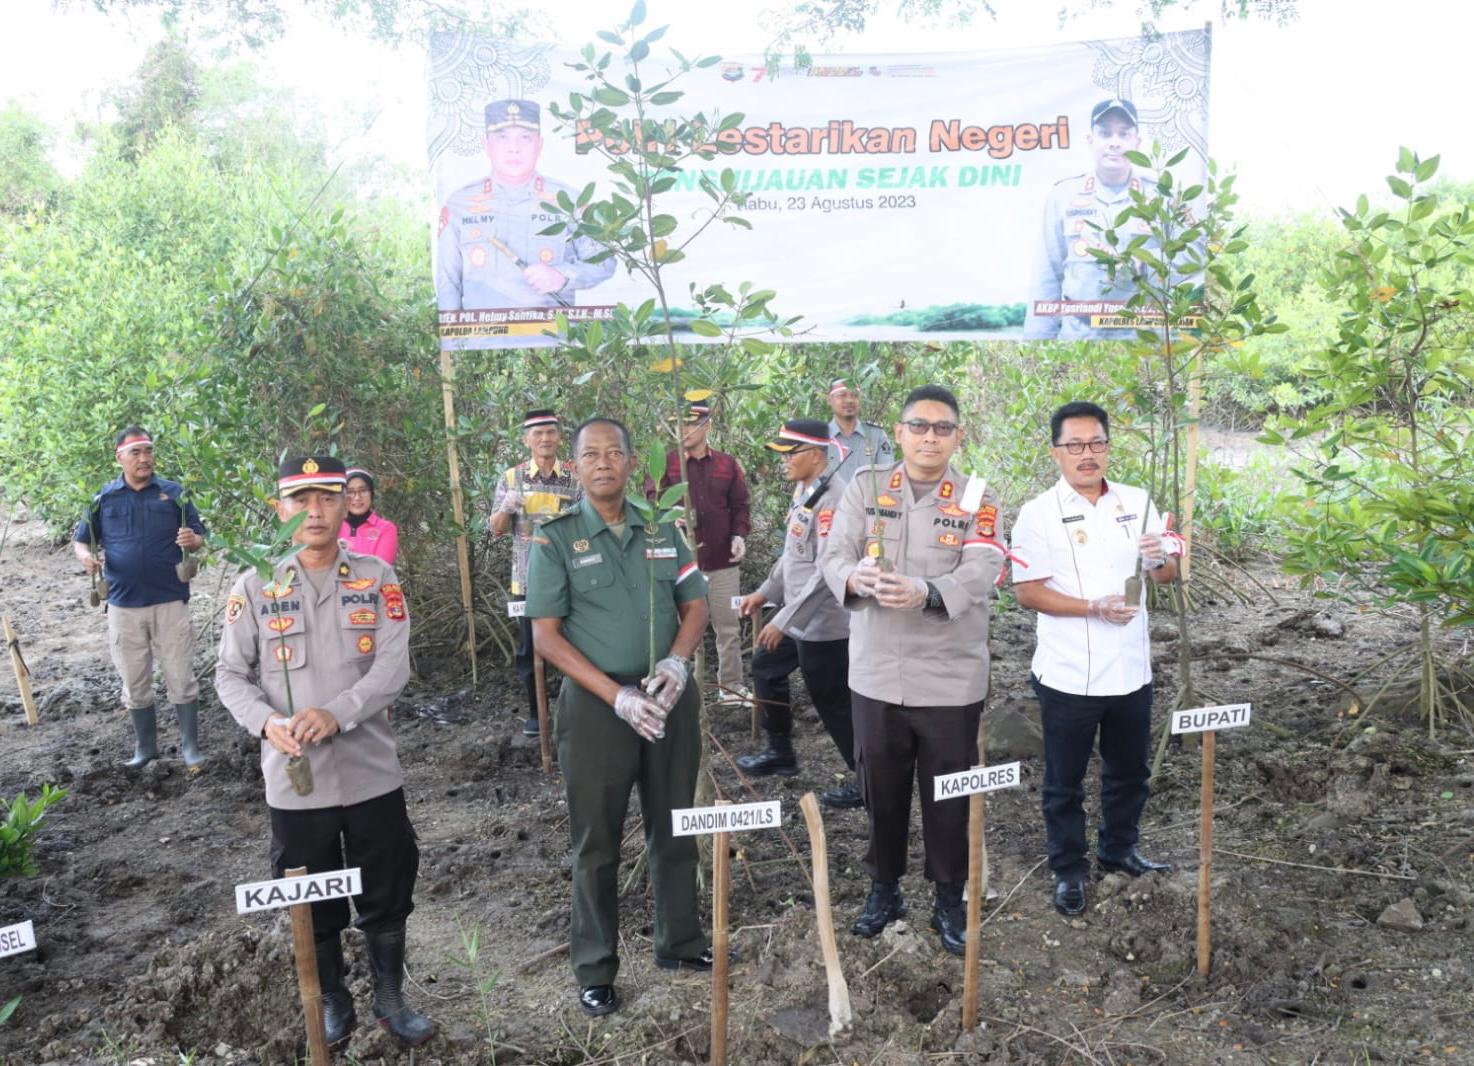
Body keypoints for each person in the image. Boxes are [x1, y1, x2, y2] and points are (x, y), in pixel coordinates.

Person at [215, 456, 433, 1048]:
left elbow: (393, 666)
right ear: (280, 509)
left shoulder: (376, 576)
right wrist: (267, 722)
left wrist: (337, 712)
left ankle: (389, 995)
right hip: (295, 777)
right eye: (301, 499)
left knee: (387, 885)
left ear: (347, 504)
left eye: (328, 498)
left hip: (370, 771)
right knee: (310, 891)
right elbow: (230, 675)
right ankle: (334, 999)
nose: (315, 511)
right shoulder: (256, 584)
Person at [527, 417, 719, 1017]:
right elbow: (546, 637)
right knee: (597, 841)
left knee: (676, 822)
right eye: (591, 455)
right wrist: (616, 695)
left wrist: (678, 664)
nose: (604, 462)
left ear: (633, 463)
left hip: (667, 695)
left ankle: (681, 943)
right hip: (596, 709)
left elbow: (695, 604)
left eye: (615, 453)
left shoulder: (663, 527)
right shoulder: (553, 539)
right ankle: (595, 968)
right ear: (577, 467)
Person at [819, 384, 1006, 956]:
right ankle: (885, 888)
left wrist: (927, 591)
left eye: (942, 428)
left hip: (949, 674)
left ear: (958, 436)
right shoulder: (866, 485)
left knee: (949, 791)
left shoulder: (977, 494)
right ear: (897, 432)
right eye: (919, 426)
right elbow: (835, 553)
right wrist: (855, 579)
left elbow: (985, 564)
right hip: (877, 670)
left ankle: (950, 893)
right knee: (882, 785)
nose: (930, 437)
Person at [1010, 401, 1181, 916]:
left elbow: (1168, 575)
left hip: (1130, 667)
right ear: (1056, 452)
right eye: (1075, 445)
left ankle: (1119, 847)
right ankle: (1068, 868)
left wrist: (1160, 559)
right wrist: (1092, 608)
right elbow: (1027, 591)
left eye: (1097, 443)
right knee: (1064, 781)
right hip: (1068, 673)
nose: (1088, 455)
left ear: (1109, 446)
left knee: (1129, 772)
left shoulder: (1137, 500)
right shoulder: (1037, 513)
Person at [736, 418, 860, 809]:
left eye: (790, 454)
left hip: (825, 625)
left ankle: (866, 780)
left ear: (816, 455)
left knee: (835, 705)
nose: (783, 462)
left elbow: (827, 573)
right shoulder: (805, 490)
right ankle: (780, 753)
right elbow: (793, 556)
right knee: (765, 667)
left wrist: (783, 620)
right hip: (796, 616)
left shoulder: (834, 500)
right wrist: (764, 592)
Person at [72, 426, 207, 770]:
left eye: (148, 451)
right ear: (119, 457)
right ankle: (146, 749)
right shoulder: (103, 499)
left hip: (170, 600)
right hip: (122, 604)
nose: (144, 458)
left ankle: (190, 747)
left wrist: (192, 540)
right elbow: (81, 539)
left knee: (181, 675)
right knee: (134, 680)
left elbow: (200, 537)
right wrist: (85, 557)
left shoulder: (174, 493)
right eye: (136, 453)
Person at [436, 99, 616, 311]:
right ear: (486, 144)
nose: (514, 148)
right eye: (502, 137)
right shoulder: (459, 204)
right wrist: (453, 339)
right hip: (482, 338)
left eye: (525, 138)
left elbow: (604, 262)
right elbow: (448, 283)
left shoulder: (569, 201)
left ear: (539, 144)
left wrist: (562, 275)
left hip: (551, 337)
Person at [1024, 98, 1150, 340]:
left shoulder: (1160, 198)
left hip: (1142, 341)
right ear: (1091, 141)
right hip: (1080, 339)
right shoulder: (1063, 196)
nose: (1114, 143)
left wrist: (1143, 265)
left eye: (1124, 134)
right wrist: (1036, 345)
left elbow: (1181, 276)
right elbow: (1047, 276)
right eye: (1105, 133)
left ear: (1137, 142)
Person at [490, 409, 581, 736]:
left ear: (559, 436)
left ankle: (579, 710)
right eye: (537, 434)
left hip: (571, 578)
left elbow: (585, 524)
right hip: (527, 580)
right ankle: (535, 713)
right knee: (530, 650)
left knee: (579, 644)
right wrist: (505, 508)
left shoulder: (574, 477)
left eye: (550, 432)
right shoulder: (511, 478)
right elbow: (496, 529)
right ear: (526, 439)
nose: (544, 439)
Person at [660, 402, 751, 705]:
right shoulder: (668, 463)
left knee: (728, 628)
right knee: (680, 632)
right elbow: (652, 502)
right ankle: (681, 693)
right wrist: (671, 512)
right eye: (679, 424)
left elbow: (740, 505)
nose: (684, 430)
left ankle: (732, 689)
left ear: (708, 425)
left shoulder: (727, 464)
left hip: (721, 561)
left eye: (691, 424)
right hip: (680, 566)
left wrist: (739, 535)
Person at [824, 378, 895, 485]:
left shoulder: (876, 436)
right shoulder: (820, 437)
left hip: (867, 501)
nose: (849, 400)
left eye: (854, 395)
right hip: (831, 502)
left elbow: (887, 477)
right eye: (842, 395)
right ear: (829, 400)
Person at [339, 468, 399, 564]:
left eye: (363, 490)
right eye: (350, 492)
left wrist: (346, 553)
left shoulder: (386, 529)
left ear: (372, 493)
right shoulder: (331, 526)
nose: (357, 497)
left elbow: (380, 570)